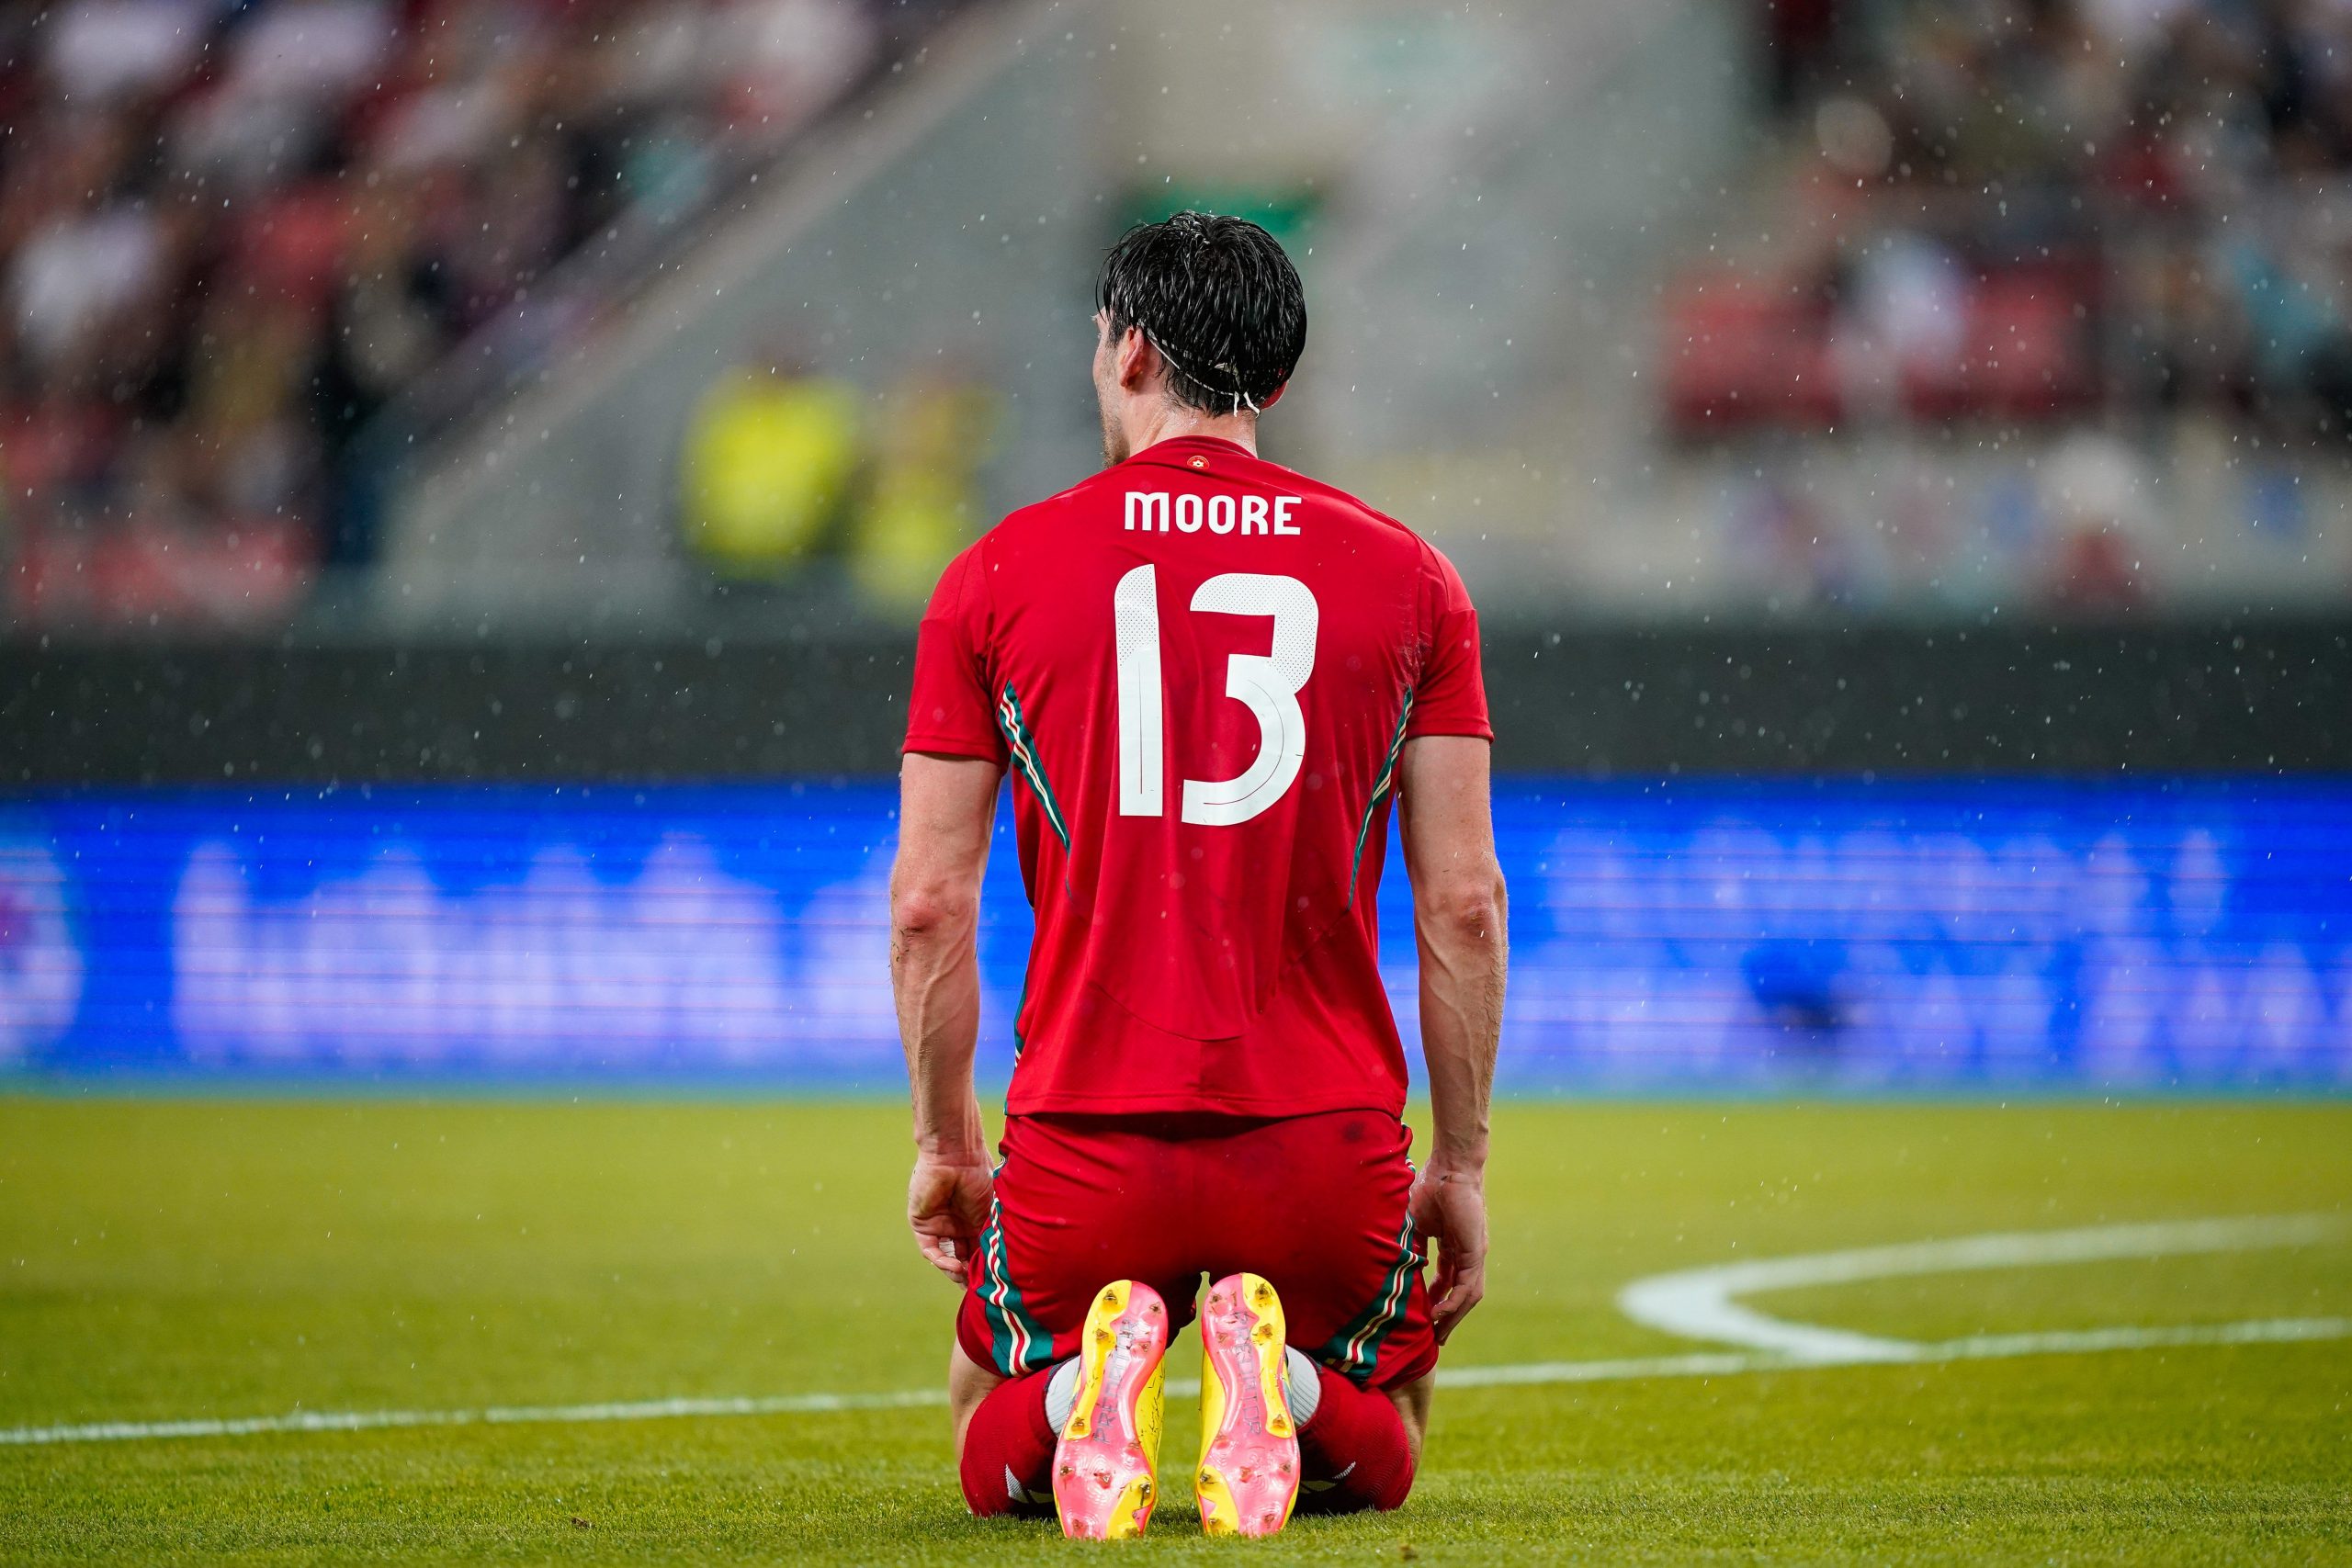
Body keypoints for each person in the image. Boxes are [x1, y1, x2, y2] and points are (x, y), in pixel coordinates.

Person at [888, 212, 1507, 1540]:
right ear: (1276, 382)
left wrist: (947, 1141)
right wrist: (1458, 1162)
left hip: (1086, 1140)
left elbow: (929, 904)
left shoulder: (994, 576)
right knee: (1391, 1430)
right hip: (1321, 1144)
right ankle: (1274, 1375)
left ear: (1125, 353)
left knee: (976, 1400)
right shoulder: (1411, 580)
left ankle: (1077, 1398)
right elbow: (1465, 905)